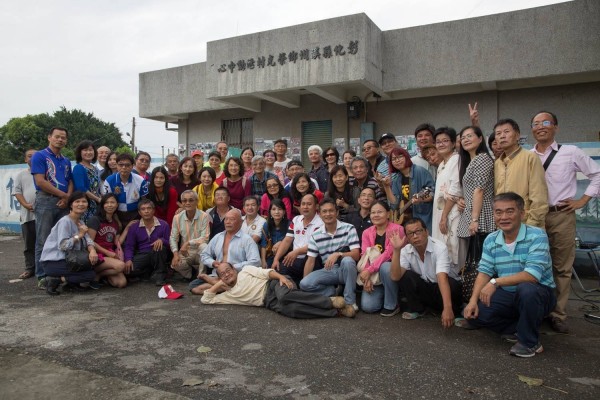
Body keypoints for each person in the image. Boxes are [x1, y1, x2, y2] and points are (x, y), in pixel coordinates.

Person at [463, 193, 556, 358]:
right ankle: (517, 328)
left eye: (510, 211)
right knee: (478, 314)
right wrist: (472, 301)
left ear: (522, 213)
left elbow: (532, 276)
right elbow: (484, 272)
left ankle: (530, 343)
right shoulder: (491, 239)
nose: (503, 217)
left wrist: (495, 282)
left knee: (527, 290)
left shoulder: (537, 236)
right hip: (508, 293)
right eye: (498, 212)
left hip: (539, 293)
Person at [531, 111, 600, 334]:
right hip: (535, 216)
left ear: (556, 127)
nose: (540, 126)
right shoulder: (528, 155)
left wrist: (582, 201)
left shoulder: (570, 152)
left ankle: (558, 314)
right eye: (535, 124)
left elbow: (597, 174)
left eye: (546, 122)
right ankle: (538, 309)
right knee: (536, 265)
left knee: (561, 267)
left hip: (561, 215)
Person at [201, 263, 353, 318]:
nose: (226, 274)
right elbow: (206, 299)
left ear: (234, 268)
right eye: (222, 274)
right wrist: (219, 283)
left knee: (285, 298)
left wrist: (281, 277)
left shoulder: (245, 271)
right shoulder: (229, 295)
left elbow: (266, 273)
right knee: (292, 311)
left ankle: (330, 301)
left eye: (228, 270)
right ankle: (336, 312)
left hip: (274, 284)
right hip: (268, 302)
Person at [385, 218, 462, 324]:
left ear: (426, 231)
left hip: (441, 288)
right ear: (407, 237)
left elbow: (442, 278)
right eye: (410, 234)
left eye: (418, 231)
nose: (415, 236)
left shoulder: (439, 248)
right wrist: (396, 250)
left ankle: (454, 312)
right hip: (425, 288)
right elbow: (395, 277)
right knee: (406, 276)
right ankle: (419, 309)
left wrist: (447, 308)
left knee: (452, 284)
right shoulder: (405, 250)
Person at [299, 199, 360, 311]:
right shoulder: (316, 235)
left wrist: (338, 254)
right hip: (329, 270)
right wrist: (305, 286)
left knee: (348, 261)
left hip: (346, 269)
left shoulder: (349, 228)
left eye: (331, 211)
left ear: (336, 212)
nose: (328, 214)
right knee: (304, 284)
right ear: (320, 214)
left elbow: (356, 255)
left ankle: (350, 302)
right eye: (324, 211)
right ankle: (333, 292)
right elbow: (310, 260)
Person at [31, 127, 73, 288]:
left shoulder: (65, 160)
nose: (60, 140)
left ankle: (58, 272)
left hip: (63, 202)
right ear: (49, 137)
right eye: (57, 137)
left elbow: (70, 181)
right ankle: (42, 275)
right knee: (43, 239)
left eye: (63, 137)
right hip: (45, 201)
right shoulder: (40, 156)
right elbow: (41, 181)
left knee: (62, 239)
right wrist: (63, 196)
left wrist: (67, 197)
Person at [190, 209, 261, 294]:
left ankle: (220, 286)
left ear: (241, 222)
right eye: (226, 219)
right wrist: (213, 263)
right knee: (193, 286)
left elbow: (256, 262)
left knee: (199, 289)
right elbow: (204, 254)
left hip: (236, 276)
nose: (228, 222)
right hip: (218, 276)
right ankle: (226, 288)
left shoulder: (247, 239)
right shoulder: (218, 237)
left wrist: (232, 267)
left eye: (232, 219)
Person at [493, 118, 548, 228]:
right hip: (504, 226)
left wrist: (531, 225)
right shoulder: (498, 163)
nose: (502, 136)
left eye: (506, 132)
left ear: (517, 136)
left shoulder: (530, 157)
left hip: (526, 225)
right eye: (498, 133)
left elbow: (539, 196)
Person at [40, 191, 98, 295]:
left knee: (92, 270)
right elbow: (63, 245)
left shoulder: (80, 222)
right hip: (54, 261)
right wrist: (79, 235)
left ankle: (70, 284)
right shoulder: (65, 221)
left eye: (84, 201)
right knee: (89, 275)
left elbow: (88, 239)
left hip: (70, 260)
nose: (81, 204)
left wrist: (92, 250)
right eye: (77, 201)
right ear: (71, 204)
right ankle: (55, 280)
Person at [457, 126, 495, 267]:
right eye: (462, 138)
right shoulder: (470, 161)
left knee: (480, 263)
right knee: (474, 262)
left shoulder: (482, 159)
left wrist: (474, 219)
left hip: (481, 216)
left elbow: (479, 190)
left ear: (480, 139)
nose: (465, 140)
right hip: (473, 214)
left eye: (469, 136)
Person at [359, 201, 405, 314]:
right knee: (368, 307)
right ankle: (385, 292)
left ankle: (392, 304)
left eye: (380, 212)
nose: (376, 215)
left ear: (388, 214)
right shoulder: (367, 232)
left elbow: (388, 254)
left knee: (385, 266)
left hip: (393, 270)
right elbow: (365, 255)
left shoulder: (397, 229)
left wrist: (369, 271)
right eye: (373, 212)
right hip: (374, 274)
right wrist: (367, 276)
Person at [272, 194, 324, 285]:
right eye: (303, 204)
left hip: (312, 259)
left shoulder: (321, 222)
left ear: (316, 206)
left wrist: (296, 252)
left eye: (309, 204)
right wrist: (276, 259)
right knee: (278, 270)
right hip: (294, 259)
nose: (305, 207)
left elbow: (315, 246)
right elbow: (287, 240)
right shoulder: (296, 219)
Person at [431, 127, 463, 270]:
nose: (441, 144)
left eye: (445, 141)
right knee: (441, 250)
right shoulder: (442, 164)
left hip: (452, 213)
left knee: (453, 249)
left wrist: (444, 217)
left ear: (453, 143)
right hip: (441, 213)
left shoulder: (457, 159)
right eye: (438, 142)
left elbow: (455, 190)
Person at [382, 147, 434, 231]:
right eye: (394, 159)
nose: (397, 160)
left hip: (423, 218)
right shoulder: (397, 179)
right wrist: (386, 186)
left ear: (406, 157)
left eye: (400, 157)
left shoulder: (420, 171)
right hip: (407, 222)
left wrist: (420, 199)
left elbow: (431, 192)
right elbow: (395, 204)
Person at [123, 198, 170, 286]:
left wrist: (162, 240)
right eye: (143, 209)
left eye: (149, 208)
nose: (146, 211)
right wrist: (128, 259)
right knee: (128, 271)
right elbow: (129, 246)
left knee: (160, 248)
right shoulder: (134, 227)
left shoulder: (164, 224)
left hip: (157, 253)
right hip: (143, 255)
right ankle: (148, 271)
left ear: (153, 210)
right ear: (139, 212)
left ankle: (160, 276)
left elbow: (169, 243)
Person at [87, 194, 128, 288]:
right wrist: (107, 253)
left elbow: (117, 242)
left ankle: (100, 275)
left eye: (112, 202)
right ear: (102, 205)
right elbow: (89, 241)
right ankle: (94, 274)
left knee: (121, 283)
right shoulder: (95, 220)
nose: (109, 205)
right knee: (121, 266)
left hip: (109, 256)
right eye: (107, 202)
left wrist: (127, 229)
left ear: (117, 205)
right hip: (97, 255)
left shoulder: (115, 223)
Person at [170, 190, 210, 280]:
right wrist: (175, 254)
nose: (187, 203)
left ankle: (201, 277)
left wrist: (188, 243)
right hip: (185, 251)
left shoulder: (204, 216)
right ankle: (191, 274)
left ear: (197, 201)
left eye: (191, 200)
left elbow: (205, 238)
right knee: (175, 264)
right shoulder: (177, 217)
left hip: (199, 249)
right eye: (184, 201)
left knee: (204, 247)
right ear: (182, 203)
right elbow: (173, 238)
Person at [103, 153, 149, 226]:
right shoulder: (109, 180)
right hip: (115, 214)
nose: (124, 167)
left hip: (135, 214)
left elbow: (144, 201)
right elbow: (108, 202)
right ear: (117, 165)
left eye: (127, 165)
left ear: (132, 166)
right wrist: (116, 220)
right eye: (121, 165)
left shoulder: (140, 180)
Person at [13, 149, 37, 279]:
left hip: (43, 215)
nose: (32, 159)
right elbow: (17, 192)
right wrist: (25, 204)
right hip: (27, 215)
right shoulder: (21, 175)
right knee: (29, 244)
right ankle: (29, 269)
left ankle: (43, 270)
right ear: (25, 159)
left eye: (35, 156)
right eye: (29, 156)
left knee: (44, 243)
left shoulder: (46, 174)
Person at [72, 140, 102, 223]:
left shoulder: (95, 168)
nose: (88, 152)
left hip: (95, 205)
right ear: (80, 153)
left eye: (90, 150)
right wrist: (98, 199)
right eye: (85, 150)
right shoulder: (78, 168)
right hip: (84, 204)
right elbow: (81, 188)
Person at [260, 199, 289, 269]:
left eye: (280, 209)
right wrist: (263, 260)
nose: (277, 212)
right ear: (270, 212)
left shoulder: (289, 225)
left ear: (284, 212)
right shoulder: (266, 225)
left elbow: (292, 243)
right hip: (271, 255)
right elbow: (263, 245)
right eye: (273, 209)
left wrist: (281, 243)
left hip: (286, 255)